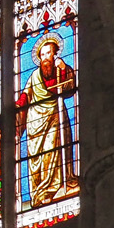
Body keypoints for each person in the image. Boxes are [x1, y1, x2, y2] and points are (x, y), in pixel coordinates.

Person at [16, 35, 77, 207]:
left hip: (55, 116)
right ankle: (39, 193)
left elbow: (69, 88)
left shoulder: (60, 70)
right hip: (35, 121)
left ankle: (53, 188)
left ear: (54, 54)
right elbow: (26, 95)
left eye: (48, 53)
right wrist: (19, 104)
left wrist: (64, 69)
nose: (45, 58)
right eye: (42, 55)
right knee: (37, 157)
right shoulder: (35, 75)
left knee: (52, 150)